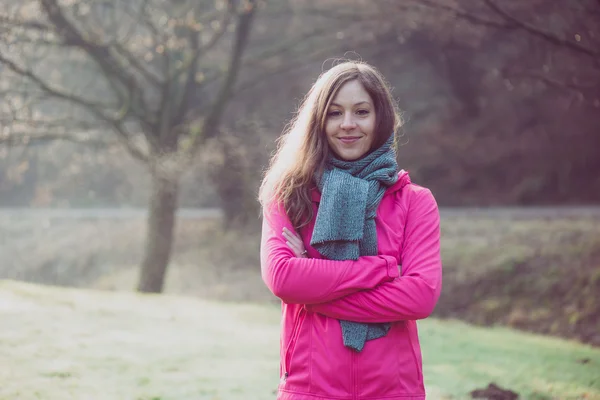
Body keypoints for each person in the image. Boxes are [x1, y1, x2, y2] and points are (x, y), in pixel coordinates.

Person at [259, 60, 442, 400]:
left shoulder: (415, 202)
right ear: (318, 120)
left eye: (361, 112)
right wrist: (383, 269)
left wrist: (315, 292)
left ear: (380, 118)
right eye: (334, 113)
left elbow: (420, 296)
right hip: (309, 388)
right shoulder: (288, 195)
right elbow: (283, 278)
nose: (347, 125)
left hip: (393, 389)